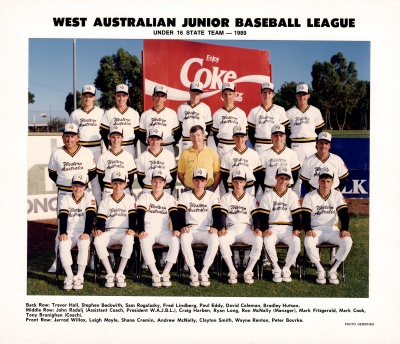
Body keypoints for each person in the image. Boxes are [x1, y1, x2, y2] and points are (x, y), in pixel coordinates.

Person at [47, 123, 96, 272]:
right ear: (63, 138)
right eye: (67, 136)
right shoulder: (56, 154)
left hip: (82, 193)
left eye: (72, 136)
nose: (69, 139)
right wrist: (64, 184)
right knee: (62, 227)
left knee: (86, 224)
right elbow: (52, 174)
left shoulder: (86, 152)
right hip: (64, 193)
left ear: (78, 138)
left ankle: (90, 259)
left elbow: (92, 173)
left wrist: (80, 187)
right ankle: (58, 260)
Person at [302, 167, 352, 285]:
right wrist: (308, 229)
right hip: (316, 229)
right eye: (323, 180)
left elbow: (344, 213)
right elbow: (305, 216)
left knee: (347, 241)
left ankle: (333, 270)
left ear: (332, 182)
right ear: (318, 181)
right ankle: (320, 269)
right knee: (308, 242)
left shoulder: (337, 195)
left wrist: (344, 229)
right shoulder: (310, 196)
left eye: (328, 181)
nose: (325, 183)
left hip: (332, 229)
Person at [218, 167, 263, 284]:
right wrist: (222, 228)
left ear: (245, 183)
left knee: (258, 240)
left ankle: (248, 271)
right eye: (236, 181)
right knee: (222, 239)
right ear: (232, 182)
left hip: (246, 229)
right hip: (231, 229)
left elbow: (256, 216)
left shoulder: (250, 199)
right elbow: (222, 215)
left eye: (241, 182)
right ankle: (232, 270)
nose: (238, 184)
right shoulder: (226, 197)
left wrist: (257, 228)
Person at [178, 168, 222, 287]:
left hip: (206, 229)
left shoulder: (212, 195)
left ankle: (204, 271)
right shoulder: (185, 195)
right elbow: (180, 213)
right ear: (192, 180)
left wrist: (215, 227)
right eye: (197, 180)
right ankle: (193, 271)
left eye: (202, 180)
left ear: (206, 181)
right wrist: (182, 226)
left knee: (214, 239)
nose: (199, 183)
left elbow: (218, 213)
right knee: (184, 238)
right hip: (190, 228)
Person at [137, 170, 180, 288]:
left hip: (164, 231)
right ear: (151, 182)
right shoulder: (144, 197)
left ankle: (166, 273)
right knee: (144, 242)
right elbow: (140, 215)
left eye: (160, 182)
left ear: (164, 183)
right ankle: (155, 273)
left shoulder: (169, 198)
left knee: (175, 240)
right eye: (155, 181)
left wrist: (176, 229)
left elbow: (174, 216)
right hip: (148, 231)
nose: (157, 184)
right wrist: (141, 230)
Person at [93, 170, 136, 288]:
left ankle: (120, 273)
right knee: (97, 240)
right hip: (110, 231)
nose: (118, 186)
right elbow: (101, 219)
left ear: (125, 184)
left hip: (124, 231)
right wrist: (100, 230)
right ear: (111, 184)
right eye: (115, 183)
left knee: (129, 239)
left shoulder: (130, 199)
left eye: (120, 183)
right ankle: (110, 273)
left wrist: (132, 229)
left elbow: (132, 216)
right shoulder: (105, 201)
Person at [259, 166, 301, 283]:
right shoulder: (268, 195)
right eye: (281, 178)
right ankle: (276, 268)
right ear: (276, 177)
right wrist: (265, 229)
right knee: (267, 241)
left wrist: (296, 229)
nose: (283, 181)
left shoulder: (292, 195)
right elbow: (264, 216)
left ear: (289, 180)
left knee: (296, 243)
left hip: (288, 228)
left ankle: (286, 268)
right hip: (273, 228)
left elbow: (296, 215)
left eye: (286, 179)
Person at [58, 173, 96, 290]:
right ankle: (69, 276)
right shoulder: (65, 197)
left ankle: (79, 276)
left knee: (84, 244)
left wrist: (86, 232)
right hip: (69, 231)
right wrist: (63, 233)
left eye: (80, 186)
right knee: (63, 244)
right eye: (75, 185)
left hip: (83, 231)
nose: (77, 189)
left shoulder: (90, 197)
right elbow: (63, 216)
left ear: (85, 186)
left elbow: (90, 216)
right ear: (71, 185)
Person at [286, 84, 325, 197]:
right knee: (296, 177)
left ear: (308, 96)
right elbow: (287, 133)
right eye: (299, 94)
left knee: (314, 175)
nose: (301, 97)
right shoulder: (290, 112)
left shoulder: (315, 111)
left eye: (304, 94)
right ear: (296, 96)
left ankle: (316, 203)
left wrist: (318, 148)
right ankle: (295, 205)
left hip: (311, 145)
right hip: (296, 146)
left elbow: (319, 132)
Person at [69, 85, 104, 206]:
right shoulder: (75, 114)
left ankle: (98, 213)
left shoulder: (101, 113)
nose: (87, 99)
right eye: (85, 96)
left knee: (95, 183)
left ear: (94, 97)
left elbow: (104, 133)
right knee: (81, 181)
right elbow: (72, 134)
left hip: (96, 149)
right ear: (82, 96)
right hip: (81, 150)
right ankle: (84, 211)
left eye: (90, 96)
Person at [259, 124, 300, 199]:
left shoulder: (292, 153)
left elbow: (295, 173)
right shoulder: (264, 154)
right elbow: (261, 175)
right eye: (275, 136)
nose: (278, 138)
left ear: (285, 137)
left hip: (287, 190)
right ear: (271, 137)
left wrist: (286, 185)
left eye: (281, 136)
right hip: (269, 190)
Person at [138, 84, 182, 155]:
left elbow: (177, 132)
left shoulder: (171, 113)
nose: (159, 98)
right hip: (151, 148)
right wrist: (149, 143)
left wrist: (171, 143)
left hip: (167, 147)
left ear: (165, 98)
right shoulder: (145, 114)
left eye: (162, 96)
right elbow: (141, 134)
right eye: (157, 95)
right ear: (153, 96)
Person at [247, 82, 290, 154]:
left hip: (275, 145)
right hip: (260, 146)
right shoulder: (254, 111)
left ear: (273, 95)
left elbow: (285, 128)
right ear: (260, 94)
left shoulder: (280, 110)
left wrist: (282, 144)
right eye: (264, 93)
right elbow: (251, 132)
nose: (267, 95)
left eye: (269, 93)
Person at [220, 125, 262, 197]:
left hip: (249, 190)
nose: (240, 139)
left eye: (242, 137)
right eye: (237, 137)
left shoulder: (254, 154)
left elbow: (257, 175)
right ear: (233, 137)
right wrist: (228, 192)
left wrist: (255, 192)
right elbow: (225, 176)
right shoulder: (227, 155)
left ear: (246, 137)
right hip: (233, 190)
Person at [100, 84, 140, 158]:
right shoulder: (109, 113)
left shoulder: (134, 113)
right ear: (115, 96)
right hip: (113, 148)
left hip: (129, 148)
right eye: (118, 95)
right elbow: (104, 133)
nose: (121, 98)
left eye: (123, 96)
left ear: (127, 96)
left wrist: (131, 144)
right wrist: (111, 145)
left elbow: (137, 133)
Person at [97, 125, 137, 198]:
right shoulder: (103, 157)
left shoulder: (128, 156)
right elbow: (100, 177)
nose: (116, 140)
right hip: (108, 190)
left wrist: (127, 187)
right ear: (109, 137)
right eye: (113, 137)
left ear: (122, 138)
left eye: (118, 137)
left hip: (124, 190)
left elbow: (131, 177)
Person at [178, 125, 221, 192]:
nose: (196, 138)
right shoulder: (185, 153)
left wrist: (212, 189)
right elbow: (180, 174)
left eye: (198, 135)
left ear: (204, 136)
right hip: (189, 190)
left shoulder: (212, 152)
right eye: (193, 135)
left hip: (208, 189)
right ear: (190, 137)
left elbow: (218, 174)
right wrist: (188, 186)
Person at [211, 82, 247, 160]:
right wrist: (220, 145)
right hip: (222, 146)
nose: (228, 97)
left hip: (236, 145)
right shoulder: (217, 114)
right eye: (225, 94)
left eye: (230, 94)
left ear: (234, 95)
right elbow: (215, 133)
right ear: (222, 96)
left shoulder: (241, 113)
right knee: (223, 171)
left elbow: (245, 133)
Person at [137, 127, 177, 195]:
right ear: (148, 139)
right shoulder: (142, 157)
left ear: (161, 140)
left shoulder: (169, 155)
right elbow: (140, 178)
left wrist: (170, 188)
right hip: (148, 191)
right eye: (152, 139)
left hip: (166, 190)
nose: (155, 142)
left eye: (157, 139)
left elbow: (173, 175)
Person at [177, 81, 212, 151]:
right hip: (186, 140)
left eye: (198, 93)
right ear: (189, 92)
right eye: (193, 93)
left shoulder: (205, 108)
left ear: (201, 94)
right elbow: (179, 127)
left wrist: (203, 138)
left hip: (200, 140)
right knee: (187, 161)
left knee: (201, 161)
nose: (195, 96)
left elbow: (208, 127)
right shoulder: (182, 107)